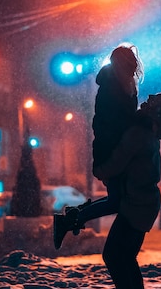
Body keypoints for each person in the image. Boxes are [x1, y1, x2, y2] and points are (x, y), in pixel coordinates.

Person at [92, 91, 161, 289]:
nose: (149, 97)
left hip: (136, 204)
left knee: (114, 256)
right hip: (143, 202)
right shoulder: (149, 131)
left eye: (155, 99)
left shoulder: (139, 133)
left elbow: (118, 161)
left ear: (157, 110)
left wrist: (100, 169)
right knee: (126, 259)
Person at [54, 43, 143, 249]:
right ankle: (72, 218)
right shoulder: (112, 87)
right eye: (130, 64)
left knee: (119, 200)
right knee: (118, 201)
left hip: (118, 151)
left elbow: (119, 121)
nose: (133, 68)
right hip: (112, 152)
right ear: (122, 65)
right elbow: (110, 123)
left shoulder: (123, 85)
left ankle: (75, 217)